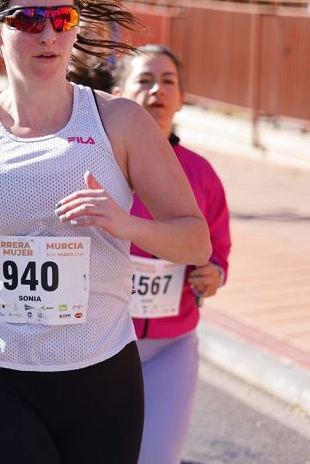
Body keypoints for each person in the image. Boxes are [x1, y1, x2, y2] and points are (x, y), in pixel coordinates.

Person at [0, 0, 211, 463]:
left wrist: (122, 221)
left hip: (97, 366)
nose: (48, 33)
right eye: (28, 19)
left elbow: (194, 240)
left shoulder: (121, 123)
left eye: (62, 18)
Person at [115, 45, 231, 464]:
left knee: (157, 456)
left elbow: (218, 249)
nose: (157, 90)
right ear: (119, 93)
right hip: (99, 345)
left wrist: (213, 272)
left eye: (168, 82)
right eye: (144, 80)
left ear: (181, 98)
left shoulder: (201, 173)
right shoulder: (95, 163)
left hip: (171, 345)